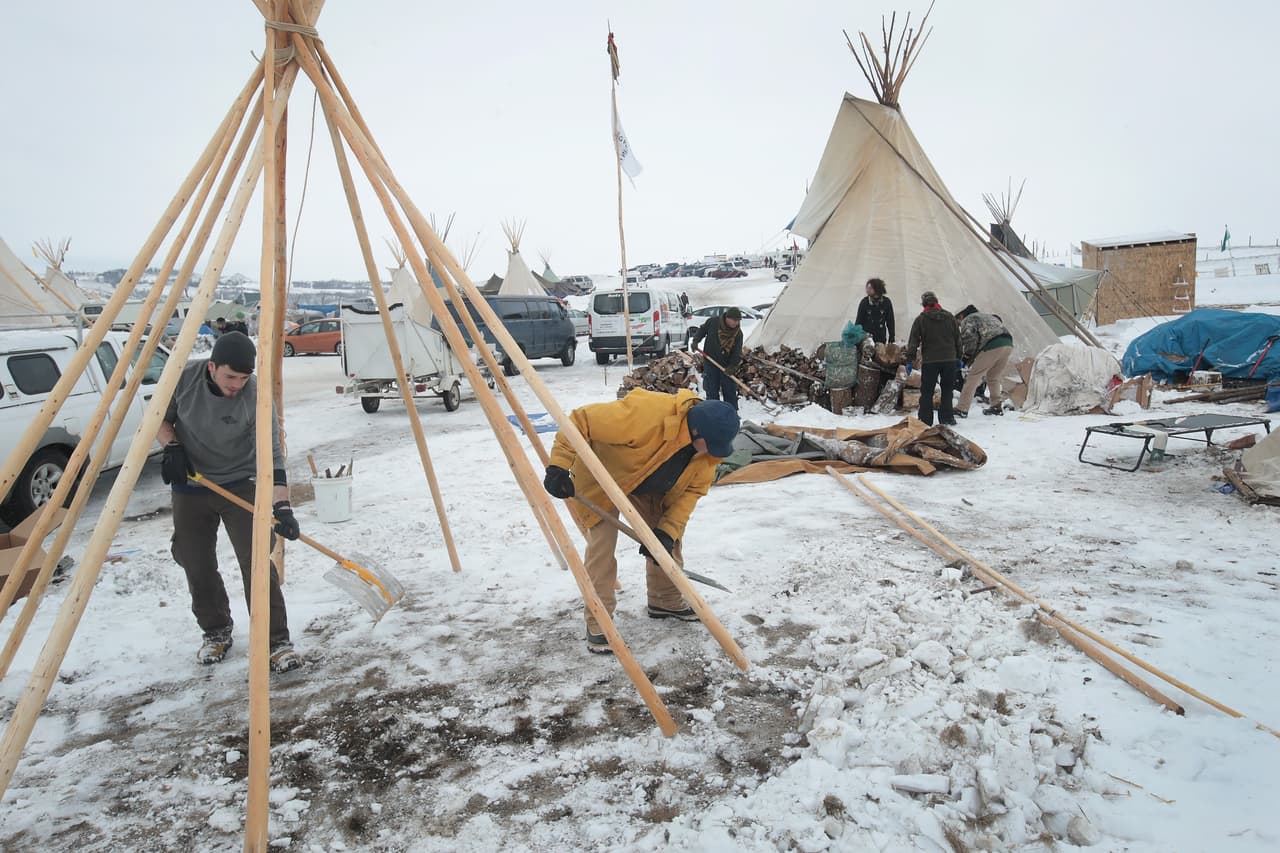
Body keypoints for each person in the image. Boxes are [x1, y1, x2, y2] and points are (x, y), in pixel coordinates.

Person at [541, 391, 740, 654]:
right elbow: (580, 420)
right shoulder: (647, 414)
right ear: (695, 431)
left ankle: (664, 600)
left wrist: (666, 532)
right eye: (711, 445)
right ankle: (599, 621)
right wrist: (558, 466)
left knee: (668, 543)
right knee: (602, 547)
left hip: (649, 483)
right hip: (602, 476)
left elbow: (690, 494)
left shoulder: (707, 455)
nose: (714, 453)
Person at [156, 331, 303, 672]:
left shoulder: (255, 396)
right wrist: (172, 447)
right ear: (211, 368)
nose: (237, 384)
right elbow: (159, 421)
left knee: (256, 562)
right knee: (195, 561)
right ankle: (216, 631)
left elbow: (273, 455)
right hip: (192, 484)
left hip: (239, 484)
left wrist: (282, 507)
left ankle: (276, 641)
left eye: (243, 377)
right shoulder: (185, 379)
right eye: (230, 377)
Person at [904, 290, 962, 427]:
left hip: (931, 360)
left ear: (924, 304)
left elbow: (913, 342)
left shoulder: (921, 319)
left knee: (927, 391)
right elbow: (958, 339)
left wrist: (909, 360)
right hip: (949, 359)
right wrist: (958, 357)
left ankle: (925, 420)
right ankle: (947, 418)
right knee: (947, 389)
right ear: (937, 302)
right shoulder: (949, 317)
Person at [954, 305, 1014, 417]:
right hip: (1008, 343)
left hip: (993, 345)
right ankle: (996, 406)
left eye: (957, 320)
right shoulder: (987, 317)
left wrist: (966, 357)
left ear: (961, 316)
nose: (958, 324)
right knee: (993, 377)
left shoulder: (969, 319)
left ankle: (961, 409)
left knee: (973, 377)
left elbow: (969, 339)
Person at [690, 307, 744, 410]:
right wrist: (696, 341)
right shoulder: (713, 322)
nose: (736, 323)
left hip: (726, 366)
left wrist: (732, 366)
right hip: (710, 362)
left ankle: (731, 414)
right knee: (711, 390)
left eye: (738, 321)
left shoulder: (738, 333)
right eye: (734, 320)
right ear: (727, 318)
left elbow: (737, 352)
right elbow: (702, 330)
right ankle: (713, 413)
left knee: (730, 392)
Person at [854, 277, 895, 344]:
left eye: (870, 288)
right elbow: (858, 322)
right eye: (867, 288)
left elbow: (890, 321)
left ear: (877, 289)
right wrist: (856, 337)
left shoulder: (886, 302)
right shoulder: (864, 302)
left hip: (880, 338)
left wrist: (892, 337)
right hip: (866, 339)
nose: (867, 290)